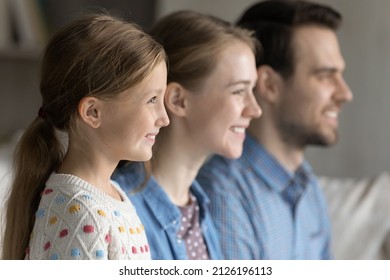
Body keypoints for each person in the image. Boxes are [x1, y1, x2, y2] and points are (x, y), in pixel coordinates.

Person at [2, 13, 169, 260]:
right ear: (93, 112)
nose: (164, 118)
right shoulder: (82, 212)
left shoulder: (109, 194)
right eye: (152, 100)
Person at [197, 0, 353, 260]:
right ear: (269, 84)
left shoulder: (308, 184)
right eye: (325, 75)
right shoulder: (223, 198)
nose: (345, 93)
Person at [112, 10, 262, 260]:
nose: (255, 109)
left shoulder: (198, 206)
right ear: (178, 100)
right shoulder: (120, 212)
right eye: (238, 91)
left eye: (252, 90)